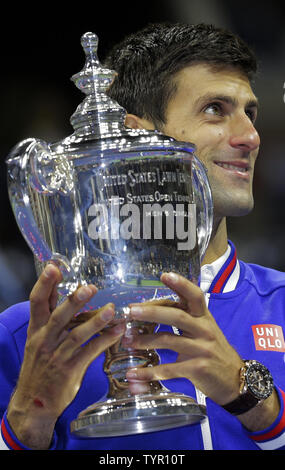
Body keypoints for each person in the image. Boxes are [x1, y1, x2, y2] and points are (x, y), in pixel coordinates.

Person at [1, 22, 285, 451]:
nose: (250, 137)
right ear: (136, 136)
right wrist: (26, 420)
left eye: (250, 112)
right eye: (215, 109)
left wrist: (256, 402)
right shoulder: (30, 337)